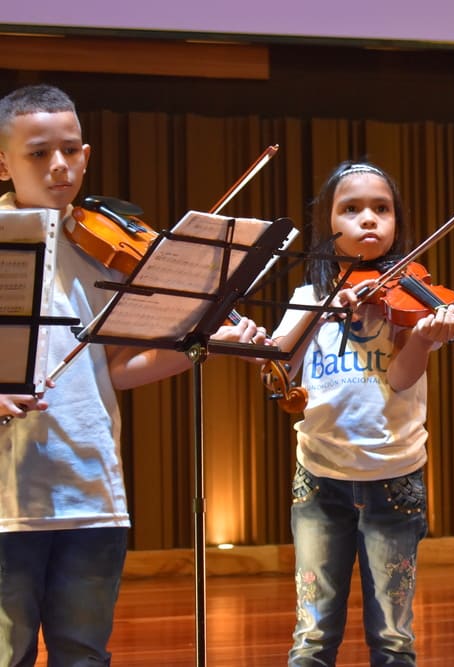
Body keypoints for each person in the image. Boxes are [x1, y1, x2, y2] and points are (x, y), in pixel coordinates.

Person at [0, 84, 268, 665]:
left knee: (84, 655)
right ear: (3, 161)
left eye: (71, 151)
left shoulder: (104, 247)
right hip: (6, 502)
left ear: (88, 154)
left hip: (92, 490)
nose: (59, 167)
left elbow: (118, 370)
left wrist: (201, 342)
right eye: (38, 153)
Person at [269, 160, 454, 666]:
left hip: (394, 478)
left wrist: (421, 339)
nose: (369, 219)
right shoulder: (308, 297)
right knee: (312, 636)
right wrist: (322, 313)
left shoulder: (410, 295)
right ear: (327, 225)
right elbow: (280, 370)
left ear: (397, 221)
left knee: (394, 639)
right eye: (351, 209)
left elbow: (400, 379)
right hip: (321, 476)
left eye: (382, 209)